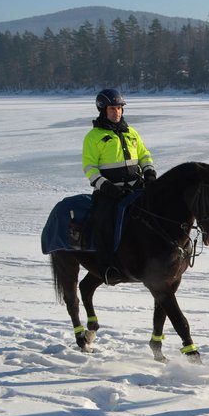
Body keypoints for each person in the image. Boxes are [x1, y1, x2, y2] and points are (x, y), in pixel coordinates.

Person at [82, 88, 156, 284]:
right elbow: (89, 167)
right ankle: (107, 268)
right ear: (103, 110)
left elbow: (144, 154)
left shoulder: (131, 132)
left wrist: (149, 171)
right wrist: (106, 187)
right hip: (109, 192)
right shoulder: (93, 137)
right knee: (103, 222)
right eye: (113, 108)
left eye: (120, 108)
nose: (117, 112)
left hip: (136, 187)